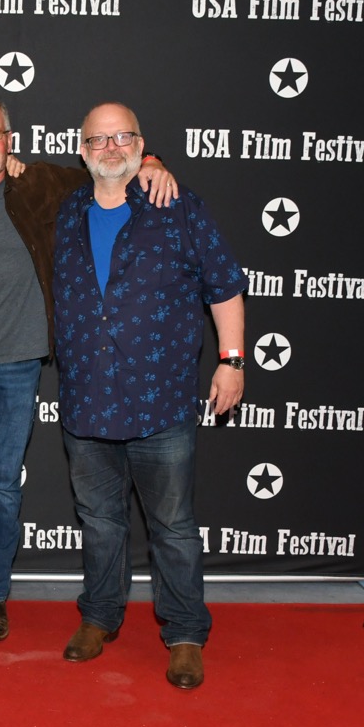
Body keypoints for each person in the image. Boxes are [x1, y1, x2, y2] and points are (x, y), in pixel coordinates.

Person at [0, 94, 176, 647]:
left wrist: (151, 163)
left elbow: (112, 164)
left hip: (18, 367)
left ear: (11, 141)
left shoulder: (41, 185)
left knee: (4, 490)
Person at [52, 102, 247, 690]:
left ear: (141, 144)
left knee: (173, 526)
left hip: (160, 401)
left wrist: (232, 360)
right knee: (100, 521)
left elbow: (225, 286)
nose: (111, 148)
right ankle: (99, 617)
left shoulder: (178, 206)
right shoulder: (65, 211)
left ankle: (186, 633)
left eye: (124, 138)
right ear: (82, 150)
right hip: (87, 401)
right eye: (99, 140)